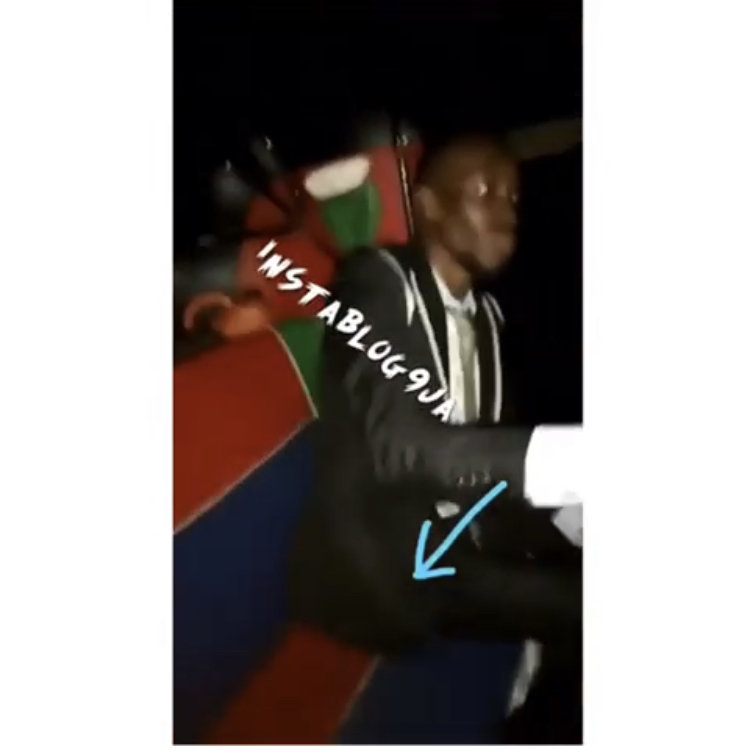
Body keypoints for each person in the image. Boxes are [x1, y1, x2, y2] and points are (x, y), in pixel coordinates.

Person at [287, 133, 582, 742]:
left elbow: (488, 458)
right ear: (430, 206)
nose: (507, 211)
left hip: (458, 540)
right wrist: (578, 459)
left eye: (514, 197)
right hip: (385, 569)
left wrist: (570, 514)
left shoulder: (488, 317)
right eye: (484, 192)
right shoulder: (373, 282)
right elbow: (404, 447)